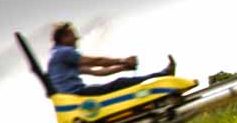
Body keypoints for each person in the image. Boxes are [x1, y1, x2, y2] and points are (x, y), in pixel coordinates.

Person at [46, 22, 175, 97]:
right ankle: (164, 75)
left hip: (76, 93)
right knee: (120, 83)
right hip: (78, 94)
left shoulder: (58, 56)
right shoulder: (63, 52)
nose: (77, 38)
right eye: (73, 35)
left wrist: (123, 67)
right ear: (64, 38)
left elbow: (98, 72)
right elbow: (97, 62)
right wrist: (123, 61)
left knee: (118, 83)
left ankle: (163, 75)